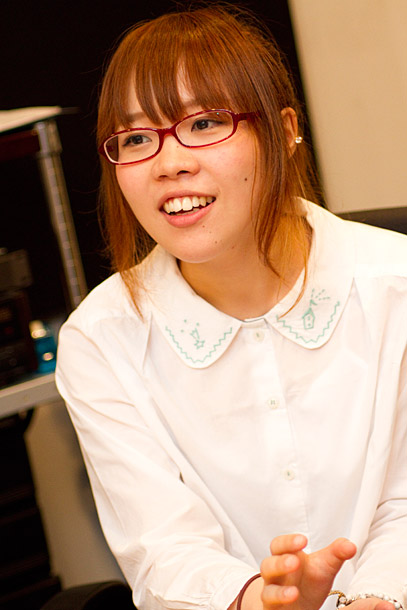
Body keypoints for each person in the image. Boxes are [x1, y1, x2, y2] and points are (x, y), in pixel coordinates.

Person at [55, 5, 407, 610]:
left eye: (204, 124)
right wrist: (257, 599)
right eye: (136, 138)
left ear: (284, 130)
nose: (171, 163)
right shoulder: (101, 340)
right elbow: (164, 549)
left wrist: (377, 598)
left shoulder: (396, 284)